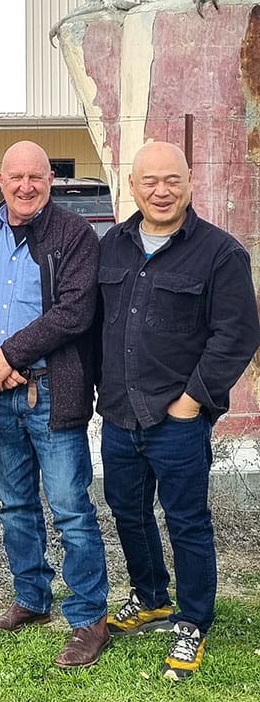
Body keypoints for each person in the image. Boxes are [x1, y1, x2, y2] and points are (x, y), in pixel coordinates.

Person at [98, 141, 260, 682]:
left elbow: (236, 336)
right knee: (129, 514)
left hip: (178, 422)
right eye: (149, 182)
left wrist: (192, 402)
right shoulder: (113, 246)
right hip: (119, 416)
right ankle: (150, 598)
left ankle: (193, 621)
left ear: (190, 182)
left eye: (172, 180)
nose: (161, 191)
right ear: (132, 185)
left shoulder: (220, 253)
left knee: (187, 521)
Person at [0, 140, 109, 670]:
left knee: (71, 507)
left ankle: (89, 617)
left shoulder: (73, 235)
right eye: (15, 177)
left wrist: (7, 353)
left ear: (51, 180)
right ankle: (31, 595)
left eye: (36, 177)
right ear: (0, 180)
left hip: (51, 389)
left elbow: (75, 312)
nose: (25, 186)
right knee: (14, 503)